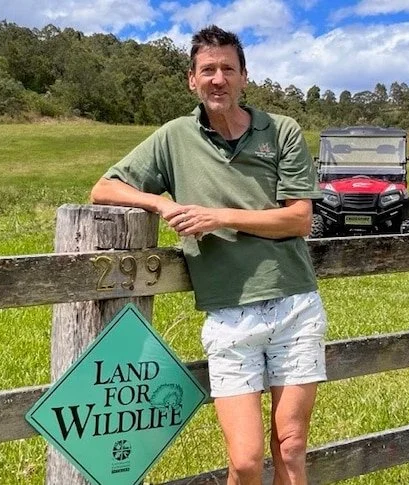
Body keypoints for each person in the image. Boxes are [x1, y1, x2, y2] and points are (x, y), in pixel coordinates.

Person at [90, 25, 328, 485]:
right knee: (243, 460)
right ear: (191, 80)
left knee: (292, 446)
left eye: (227, 69)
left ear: (243, 77)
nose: (218, 79)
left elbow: (299, 220)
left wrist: (220, 217)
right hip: (228, 314)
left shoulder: (281, 131)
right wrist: (161, 203)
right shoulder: (174, 138)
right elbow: (103, 188)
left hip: (294, 304)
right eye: (208, 70)